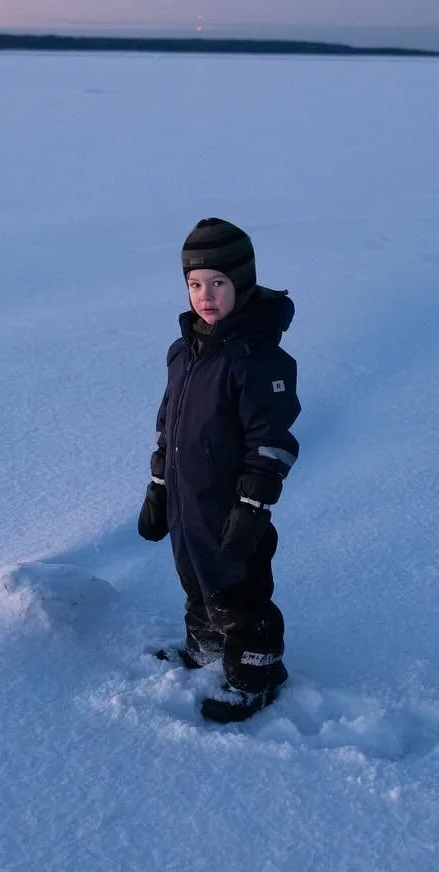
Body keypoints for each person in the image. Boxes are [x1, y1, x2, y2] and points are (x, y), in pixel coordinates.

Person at [136, 217, 301, 723]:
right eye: (194, 284)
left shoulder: (259, 359)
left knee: (239, 589)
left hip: (233, 505)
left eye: (218, 283)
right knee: (195, 576)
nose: (204, 296)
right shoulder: (184, 351)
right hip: (188, 500)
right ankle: (206, 649)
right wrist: (160, 485)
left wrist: (253, 506)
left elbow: (272, 442)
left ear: (242, 283)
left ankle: (256, 674)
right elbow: (168, 425)